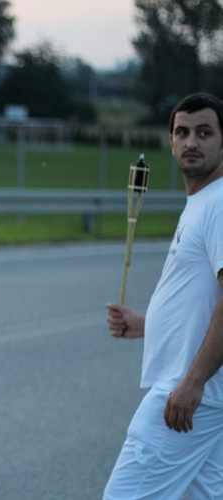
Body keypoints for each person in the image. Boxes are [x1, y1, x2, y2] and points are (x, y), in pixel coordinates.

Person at [104, 92, 223, 499]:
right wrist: (143, 325)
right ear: (171, 142)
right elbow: (199, 299)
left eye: (204, 132)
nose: (192, 142)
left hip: (188, 395)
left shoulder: (220, 202)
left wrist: (194, 381)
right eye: (182, 132)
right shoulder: (201, 202)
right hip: (204, 396)